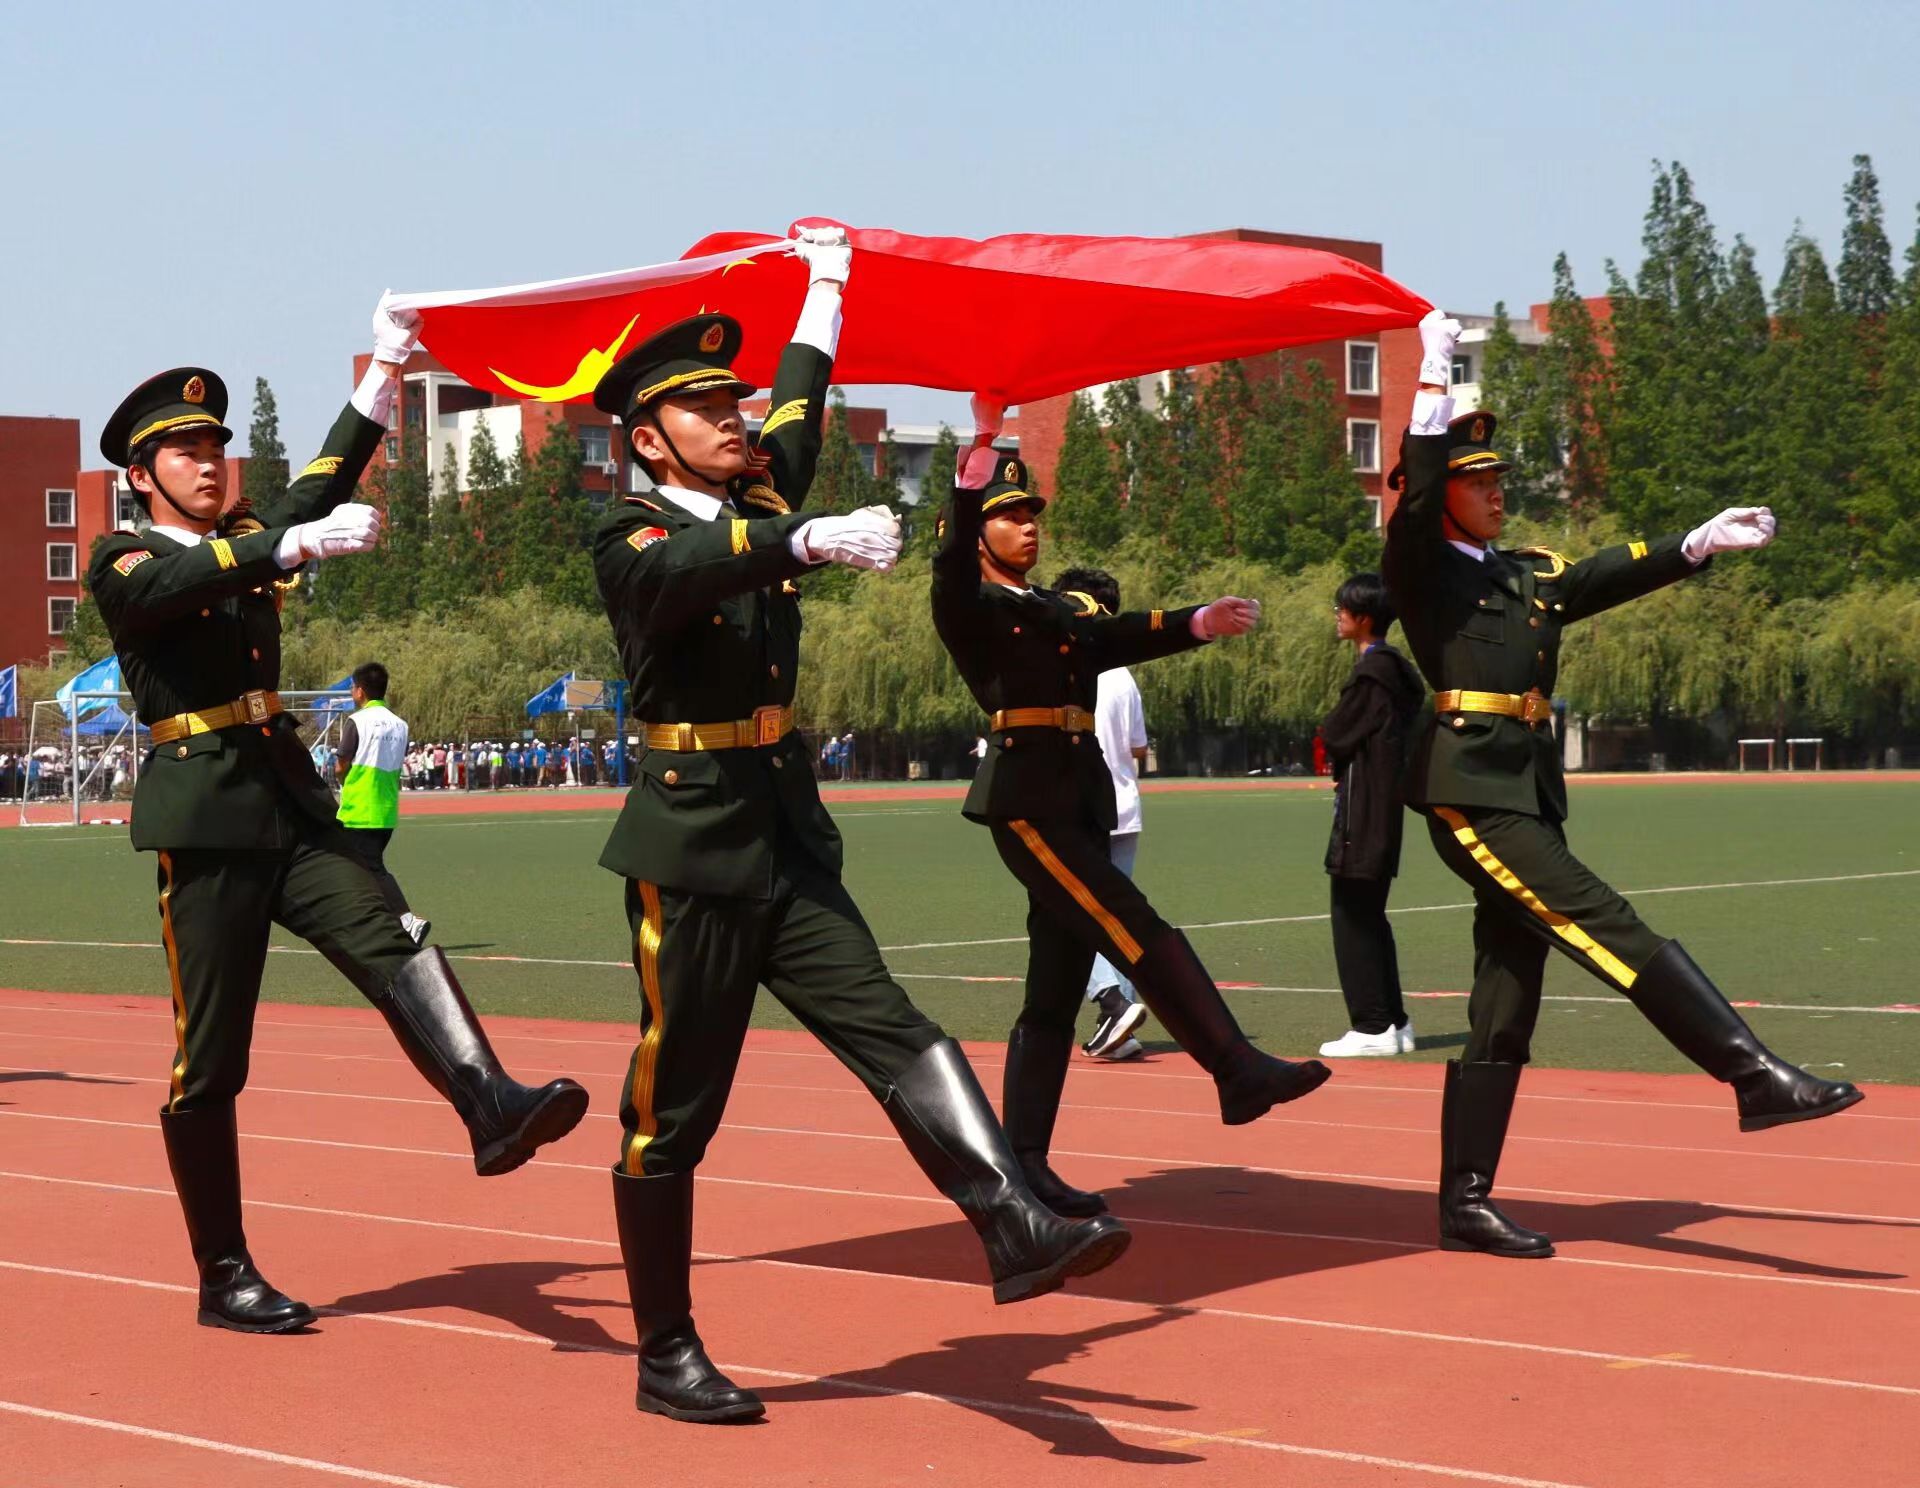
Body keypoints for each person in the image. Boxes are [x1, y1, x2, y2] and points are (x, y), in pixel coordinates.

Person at [588, 226, 1127, 1425]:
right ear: (647, 437)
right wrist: (803, 538)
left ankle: (1011, 1218)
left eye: (730, 401)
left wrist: (826, 287)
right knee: (673, 1114)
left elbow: (802, 402)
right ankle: (666, 1351)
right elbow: (684, 570)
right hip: (692, 848)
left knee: (896, 1029)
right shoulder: (628, 531)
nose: (733, 418)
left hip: (783, 835)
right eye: (703, 408)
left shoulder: (758, 486)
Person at [86, 310, 588, 1336]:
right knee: (210, 1060)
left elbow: (320, 481)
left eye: (217, 446)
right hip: (208, 820)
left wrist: (388, 366)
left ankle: (489, 1102)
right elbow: (181, 583)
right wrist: (285, 541)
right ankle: (223, 1272)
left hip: (291, 805)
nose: (210, 463)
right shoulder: (124, 558)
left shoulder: (242, 540)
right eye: (186, 451)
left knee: (391, 934)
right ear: (142, 475)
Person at [1383, 312, 1864, 1260]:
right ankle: (1751, 1073)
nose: (1496, 491)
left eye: (1499, 478)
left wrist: (1696, 544)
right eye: (1477, 482)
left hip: (1525, 789)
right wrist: (1432, 382)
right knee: (1604, 921)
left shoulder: (1525, 574)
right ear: (1442, 496)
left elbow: (1604, 573)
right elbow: (1418, 485)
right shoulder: (1421, 569)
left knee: (1505, 1002)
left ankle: (1465, 1203)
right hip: (1470, 791)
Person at [930, 406, 1331, 1221]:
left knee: (1054, 991)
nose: (1028, 526)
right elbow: (947, 565)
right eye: (1009, 515)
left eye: (1032, 513)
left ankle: (1026, 1167)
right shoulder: (968, 603)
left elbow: (1116, 637)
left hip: (1078, 798)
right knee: (1133, 923)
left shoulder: (1056, 609)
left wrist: (1197, 623)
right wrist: (972, 475)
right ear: (976, 533)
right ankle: (1233, 1065)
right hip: (1028, 801)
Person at [1317, 573, 1425, 1058]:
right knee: (1369, 914)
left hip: (1364, 810)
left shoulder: (1372, 675)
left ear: (1363, 618)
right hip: (1384, 806)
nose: (1337, 615)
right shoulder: (1395, 671)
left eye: (1342, 609)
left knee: (1352, 915)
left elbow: (1336, 732)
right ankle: (1395, 1022)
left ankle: (1372, 1024)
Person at [1051, 566, 1151, 1064]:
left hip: (1079, 807)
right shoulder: (1124, 673)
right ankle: (1121, 1024)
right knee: (1118, 914)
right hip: (1124, 806)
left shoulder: (1066, 664)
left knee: (1071, 912)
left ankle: (1112, 1003)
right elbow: (1138, 747)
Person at [335, 661, 431, 946]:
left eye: (353, 687)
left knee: (367, 867)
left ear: (360, 691)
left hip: (358, 808)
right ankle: (374, 925)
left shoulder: (357, 721)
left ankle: (407, 920)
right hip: (386, 808)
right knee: (362, 869)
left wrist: (343, 780)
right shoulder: (400, 725)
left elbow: (341, 764)